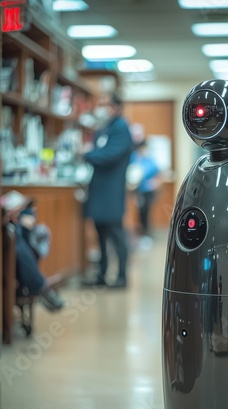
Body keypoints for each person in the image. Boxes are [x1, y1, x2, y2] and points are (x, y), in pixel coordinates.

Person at [82, 92, 133, 288]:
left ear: (116, 107)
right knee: (100, 231)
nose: (101, 108)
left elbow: (109, 154)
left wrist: (87, 155)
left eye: (106, 104)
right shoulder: (104, 128)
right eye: (100, 103)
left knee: (115, 232)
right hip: (99, 187)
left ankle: (121, 277)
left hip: (111, 189)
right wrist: (91, 154)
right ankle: (101, 275)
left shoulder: (120, 127)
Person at [127, 139, 161, 247]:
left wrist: (155, 182)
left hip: (148, 191)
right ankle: (140, 235)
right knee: (139, 213)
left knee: (146, 213)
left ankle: (145, 234)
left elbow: (157, 172)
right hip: (137, 191)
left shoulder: (150, 159)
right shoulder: (135, 158)